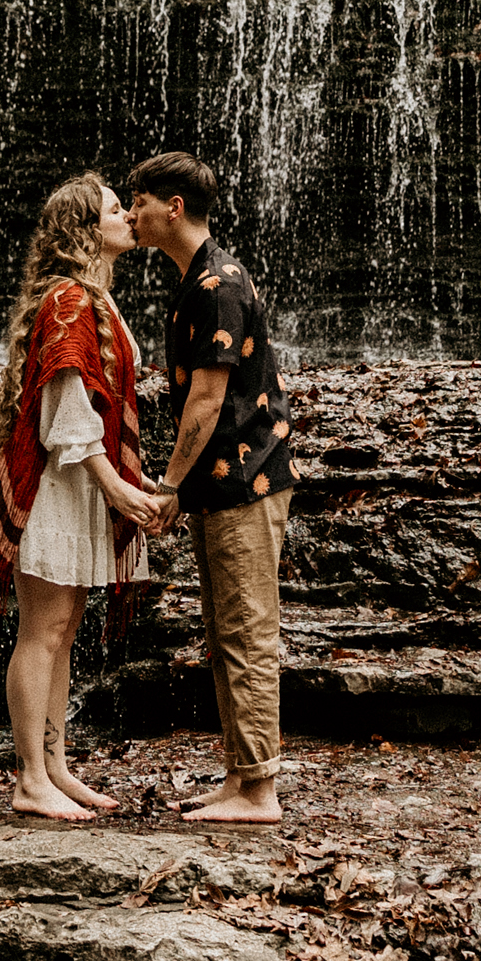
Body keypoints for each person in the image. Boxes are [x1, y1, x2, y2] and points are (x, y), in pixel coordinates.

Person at [0, 170, 172, 820]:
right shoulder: (69, 299)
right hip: (58, 488)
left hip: (80, 486)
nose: (128, 217)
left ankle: (54, 764)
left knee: (63, 629)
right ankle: (30, 776)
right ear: (87, 227)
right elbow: (65, 409)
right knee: (42, 630)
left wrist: (127, 484)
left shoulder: (96, 298)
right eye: (117, 208)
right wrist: (118, 487)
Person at [122, 149, 300, 825]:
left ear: (172, 207)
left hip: (245, 477)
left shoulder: (216, 284)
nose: (130, 214)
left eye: (138, 202)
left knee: (247, 629)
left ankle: (259, 790)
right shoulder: (201, 276)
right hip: (227, 480)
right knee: (227, 627)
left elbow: (205, 401)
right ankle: (241, 777)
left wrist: (167, 484)